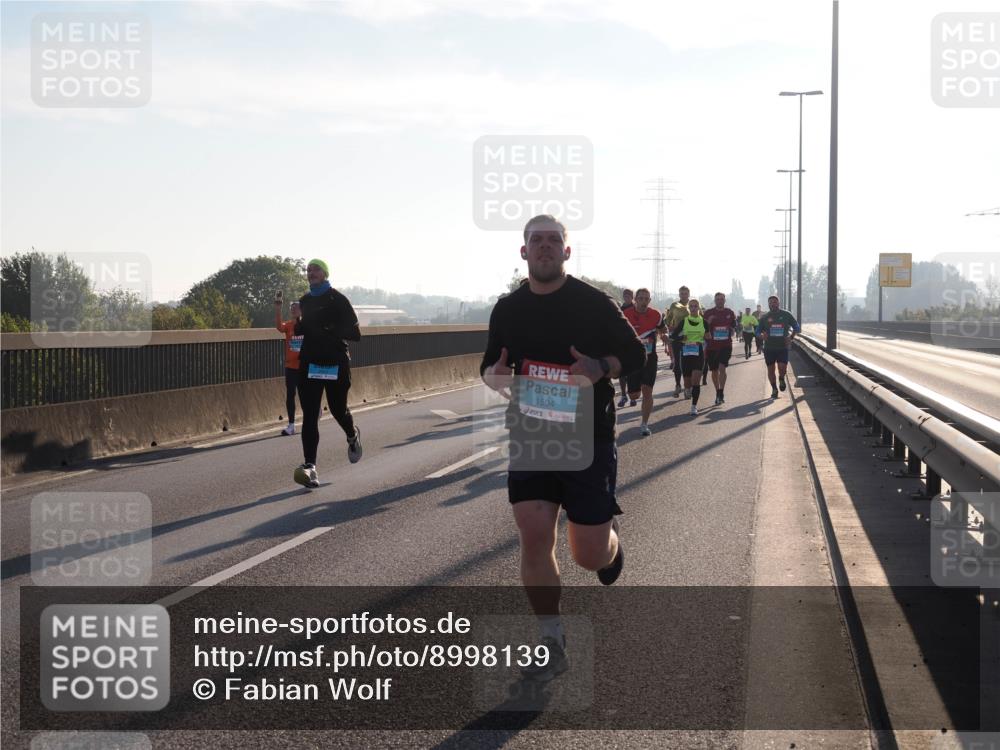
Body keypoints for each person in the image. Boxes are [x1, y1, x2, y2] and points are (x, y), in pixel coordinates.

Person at [481, 214, 645, 682]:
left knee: (588, 555)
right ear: (524, 251)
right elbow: (489, 365)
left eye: (555, 240)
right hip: (532, 435)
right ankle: (551, 636)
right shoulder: (507, 309)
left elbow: (636, 355)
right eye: (537, 240)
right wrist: (493, 378)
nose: (546, 247)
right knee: (534, 534)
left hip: (588, 435)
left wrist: (600, 365)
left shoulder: (594, 303)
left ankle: (610, 549)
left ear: (567, 252)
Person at [293, 259, 364, 488]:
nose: (311, 273)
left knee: (337, 409)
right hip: (311, 364)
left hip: (335, 363)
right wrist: (297, 319)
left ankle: (352, 435)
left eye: (315, 270)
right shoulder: (304, 301)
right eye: (308, 270)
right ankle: (309, 467)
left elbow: (355, 333)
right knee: (310, 415)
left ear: (325, 274)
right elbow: (300, 332)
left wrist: (328, 327)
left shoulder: (338, 299)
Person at [622, 288, 665, 436]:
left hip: (650, 358)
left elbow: (662, 329)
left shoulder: (656, 315)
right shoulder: (625, 315)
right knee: (634, 395)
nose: (643, 301)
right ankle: (635, 386)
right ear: (635, 299)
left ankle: (644, 424)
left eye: (646, 299)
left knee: (648, 391)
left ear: (649, 300)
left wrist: (665, 338)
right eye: (640, 298)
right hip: (632, 359)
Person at [756, 295, 800, 399]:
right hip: (769, 348)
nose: (773, 304)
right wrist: (761, 336)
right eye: (771, 302)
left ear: (778, 303)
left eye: (775, 302)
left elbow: (797, 327)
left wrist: (791, 337)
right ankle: (774, 389)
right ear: (768, 304)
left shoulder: (786, 314)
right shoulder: (765, 317)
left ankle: (781, 378)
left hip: (782, 347)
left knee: (782, 368)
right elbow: (757, 331)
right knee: (771, 370)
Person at [669, 298, 707, 416]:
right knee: (687, 383)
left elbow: (709, 335)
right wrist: (682, 338)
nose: (694, 308)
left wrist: (705, 337)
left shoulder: (704, 322)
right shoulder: (684, 321)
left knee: (696, 381)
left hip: (698, 354)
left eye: (696, 306)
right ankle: (687, 389)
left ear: (699, 308)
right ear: (689, 308)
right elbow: (673, 336)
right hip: (685, 355)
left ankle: (694, 406)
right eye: (691, 306)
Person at [702, 292, 737, 405]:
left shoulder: (729, 312)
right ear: (715, 300)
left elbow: (734, 324)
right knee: (714, 371)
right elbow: (702, 329)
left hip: (726, 345)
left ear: (724, 300)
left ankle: (721, 391)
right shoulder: (708, 313)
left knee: (722, 367)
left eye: (721, 299)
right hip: (712, 346)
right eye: (717, 299)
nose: (720, 301)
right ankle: (717, 390)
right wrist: (708, 322)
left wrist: (732, 329)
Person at [275, 297, 303, 435]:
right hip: (291, 367)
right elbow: (279, 327)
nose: (293, 310)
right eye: (291, 308)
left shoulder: (306, 326)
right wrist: (278, 309)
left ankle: (315, 411)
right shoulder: (289, 326)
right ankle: (291, 425)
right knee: (290, 395)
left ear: (302, 310)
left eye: (296, 308)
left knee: (306, 396)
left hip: (304, 366)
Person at [663, 286, 692, 398]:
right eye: (681, 293)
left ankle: (687, 387)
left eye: (685, 293)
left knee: (688, 363)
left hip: (690, 338)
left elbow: (700, 319)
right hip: (676, 337)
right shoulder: (674, 305)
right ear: (679, 294)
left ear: (689, 294)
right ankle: (678, 385)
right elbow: (667, 320)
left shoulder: (694, 304)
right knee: (677, 363)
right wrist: (671, 326)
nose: (683, 295)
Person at [617, 289, 635, 408]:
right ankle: (623, 395)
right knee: (621, 372)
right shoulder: (620, 309)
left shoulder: (636, 309)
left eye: (629, 296)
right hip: (621, 342)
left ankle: (633, 396)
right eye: (625, 296)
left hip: (634, 342)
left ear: (632, 297)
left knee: (632, 372)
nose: (627, 297)